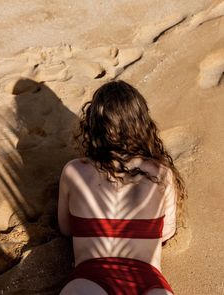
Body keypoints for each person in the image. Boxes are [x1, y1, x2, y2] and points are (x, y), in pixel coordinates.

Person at [58, 80, 186, 295]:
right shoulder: (161, 174)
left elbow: (66, 228)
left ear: (93, 127)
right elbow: (166, 233)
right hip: (147, 277)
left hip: (90, 275)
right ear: (141, 124)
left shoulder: (73, 172)